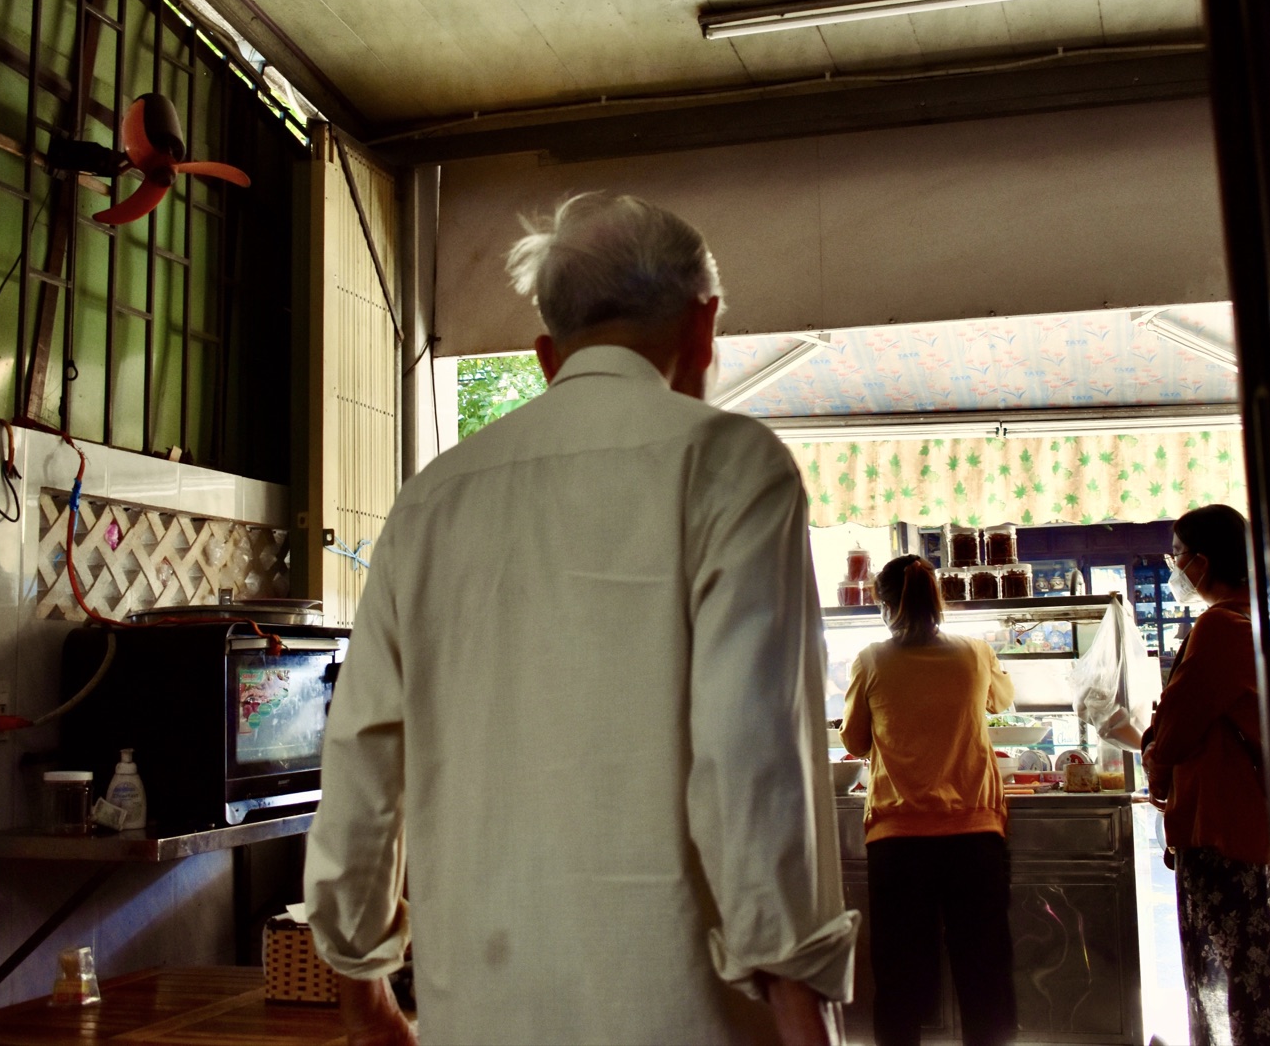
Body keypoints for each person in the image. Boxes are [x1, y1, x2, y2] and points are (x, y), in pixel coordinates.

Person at [304, 193, 857, 1046]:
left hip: (476, 1012)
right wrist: (800, 1005)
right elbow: (753, 756)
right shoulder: (733, 465)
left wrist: (362, 991)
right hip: (687, 1018)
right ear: (703, 325)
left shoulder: (431, 503)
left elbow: (363, 756)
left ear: (543, 354)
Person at [842, 556, 1018, 1046]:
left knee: (900, 980)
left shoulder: (872, 659)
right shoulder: (976, 652)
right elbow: (1001, 701)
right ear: (937, 599)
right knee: (984, 975)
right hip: (975, 834)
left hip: (899, 842)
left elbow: (855, 742)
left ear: (883, 604)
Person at [1141, 504, 1270, 1046]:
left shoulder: (1220, 625)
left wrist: (1153, 754)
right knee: (1258, 974)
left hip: (1222, 829)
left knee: (1229, 977)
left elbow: (1175, 728)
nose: (1175, 569)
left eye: (1176, 557)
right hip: (1257, 826)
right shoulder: (1263, 617)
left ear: (1200, 562)